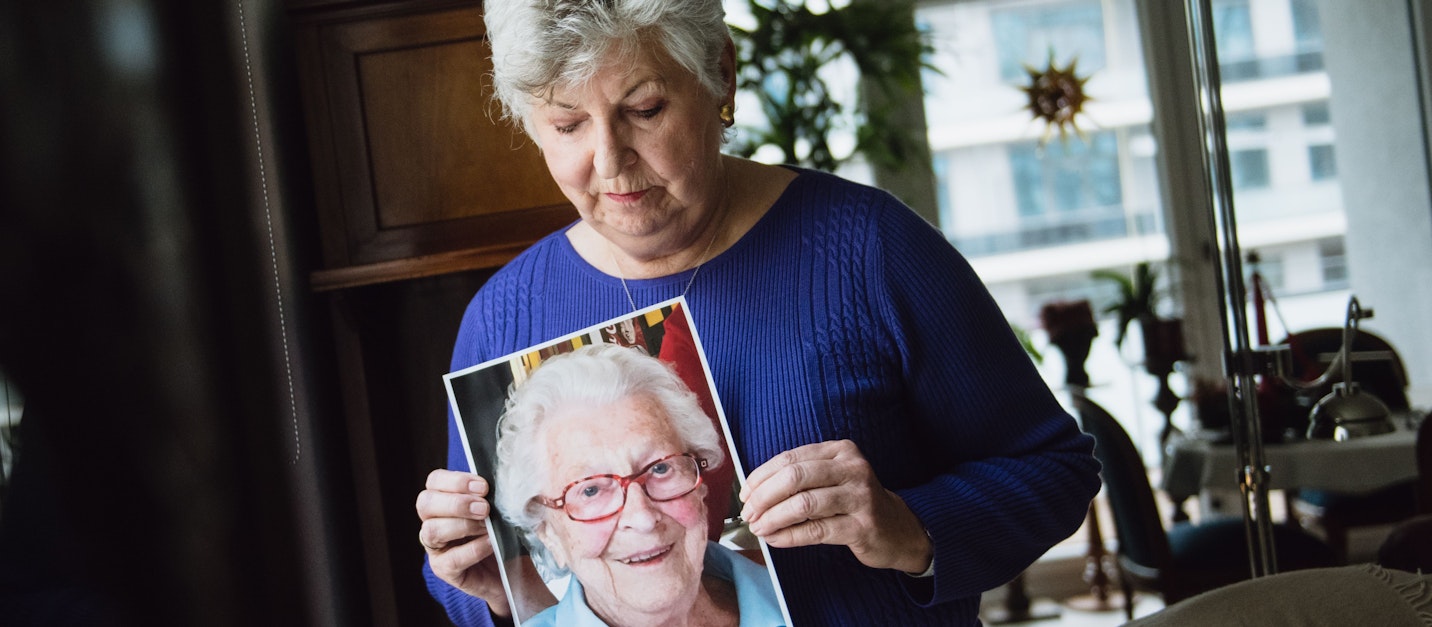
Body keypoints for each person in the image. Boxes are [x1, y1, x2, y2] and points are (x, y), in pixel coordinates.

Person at [413, 0, 1102, 623]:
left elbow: (1056, 470)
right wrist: (485, 586)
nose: (611, 161)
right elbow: (497, 594)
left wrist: (906, 525)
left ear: (721, 75)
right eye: (566, 124)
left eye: (645, 110)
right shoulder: (503, 317)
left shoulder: (871, 250)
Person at [492, 343, 784, 626]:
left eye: (660, 468)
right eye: (590, 490)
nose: (642, 517)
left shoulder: (802, 592)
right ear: (548, 534)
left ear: (700, 488)